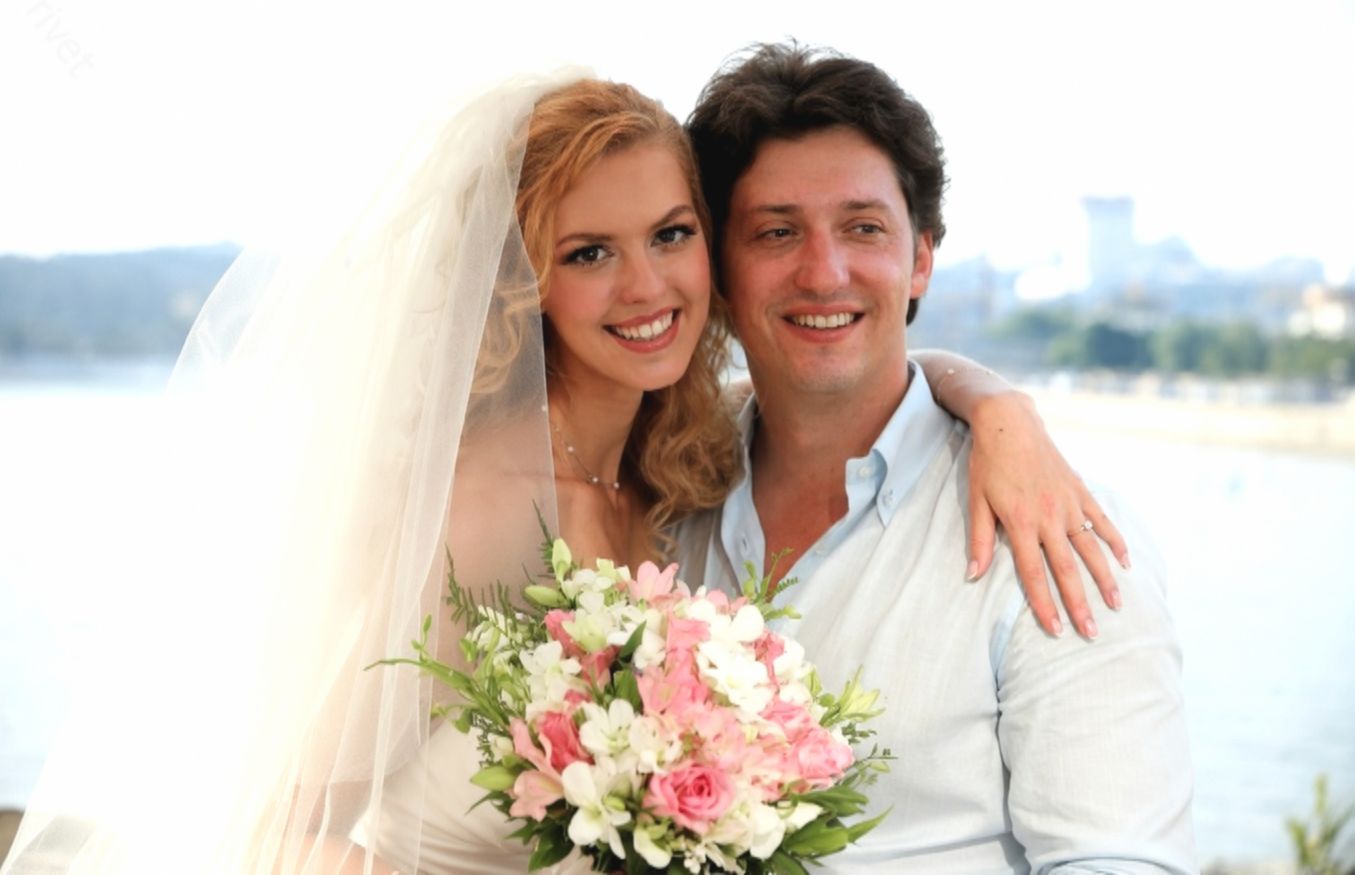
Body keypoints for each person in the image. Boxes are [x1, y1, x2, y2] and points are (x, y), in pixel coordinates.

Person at [2, 71, 1125, 875]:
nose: (646, 287)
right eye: (588, 253)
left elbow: (859, 373)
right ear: (519, 281)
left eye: (671, 234)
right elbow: (271, 828)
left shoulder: (687, 471)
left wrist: (998, 407)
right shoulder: (468, 510)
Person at [676, 43, 1196, 872]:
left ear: (920, 258)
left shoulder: (1054, 535)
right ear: (719, 274)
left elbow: (1116, 857)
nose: (824, 272)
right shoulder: (660, 501)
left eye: (863, 228)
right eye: (776, 232)